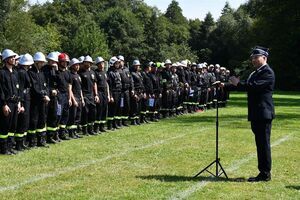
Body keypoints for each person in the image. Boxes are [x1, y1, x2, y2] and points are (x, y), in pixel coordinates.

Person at [221, 46, 275, 182]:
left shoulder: (267, 72)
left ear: (265, 58)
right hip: (257, 113)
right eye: (252, 58)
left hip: (263, 113)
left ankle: (265, 173)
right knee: (260, 143)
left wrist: (238, 84)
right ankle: (263, 172)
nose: (254, 60)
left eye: (256, 57)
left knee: (263, 144)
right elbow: (246, 84)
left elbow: (253, 87)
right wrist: (224, 86)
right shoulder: (256, 72)